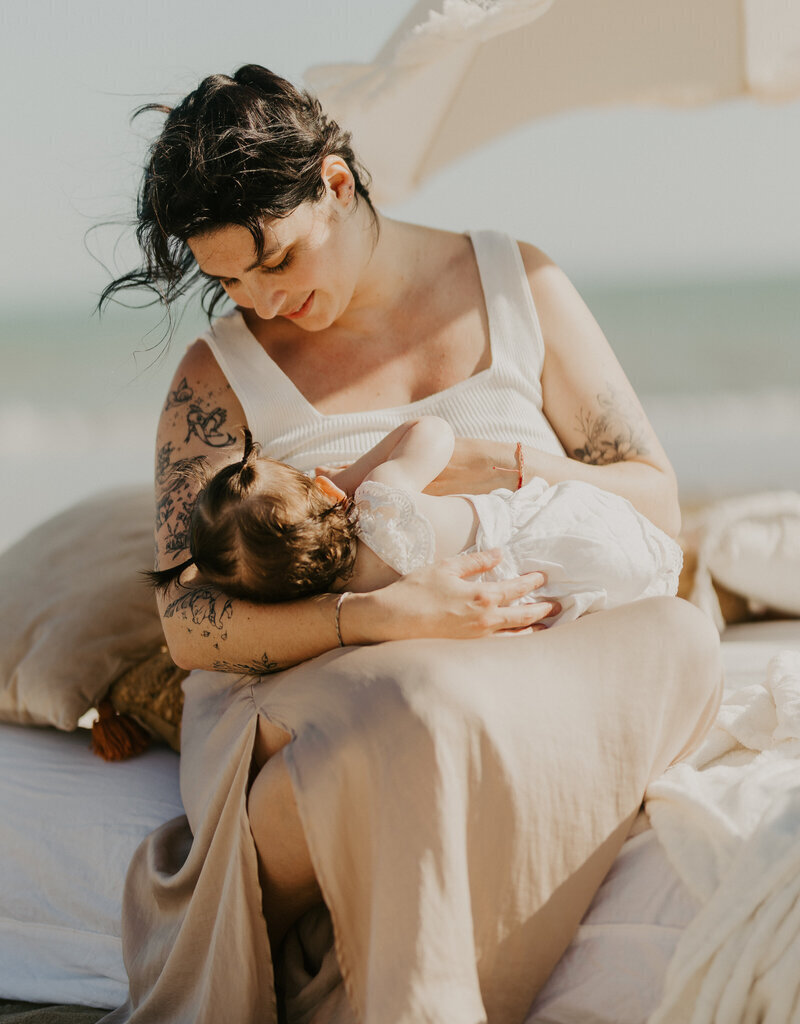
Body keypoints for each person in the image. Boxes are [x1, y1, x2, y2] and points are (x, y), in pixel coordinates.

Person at [100, 64, 723, 1024]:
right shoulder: (217, 374)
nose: (261, 303)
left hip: (529, 646)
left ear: (336, 185)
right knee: (419, 700)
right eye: (227, 281)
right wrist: (377, 616)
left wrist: (504, 469)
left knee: (681, 640)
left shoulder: (522, 288)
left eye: (276, 261)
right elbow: (191, 623)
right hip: (329, 683)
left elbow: (654, 505)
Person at [149, 416, 683, 633]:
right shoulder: (383, 496)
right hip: (560, 529)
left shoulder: (360, 596)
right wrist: (358, 474)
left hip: (550, 596)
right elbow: (432, 433)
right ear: (321, 494)